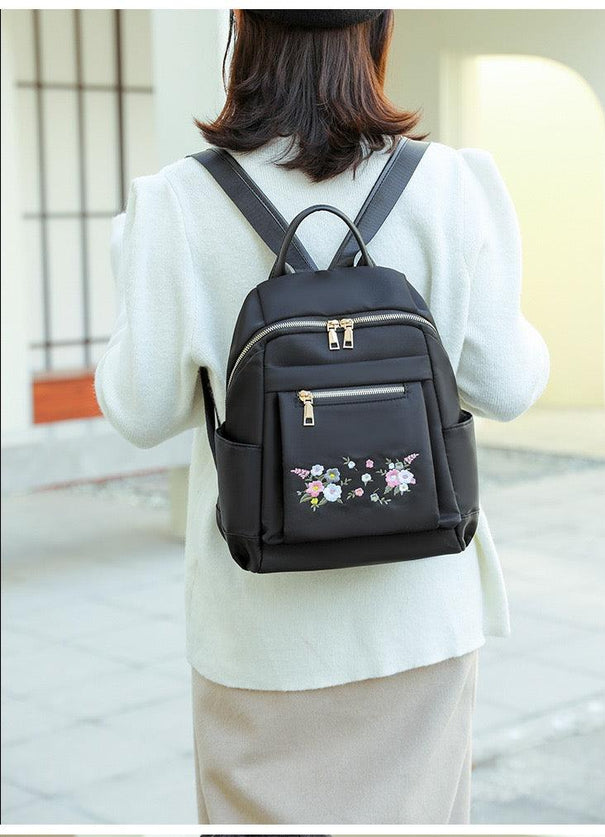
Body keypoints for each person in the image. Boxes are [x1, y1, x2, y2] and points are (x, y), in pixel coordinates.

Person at [95, 8, 549, 825]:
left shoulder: (178, 202)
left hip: (257, 635)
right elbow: (508, 383)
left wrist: (135, 262)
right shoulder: (449, 185)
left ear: (245, 30)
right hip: (419, 624)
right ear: (375, 29)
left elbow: (139, 407)